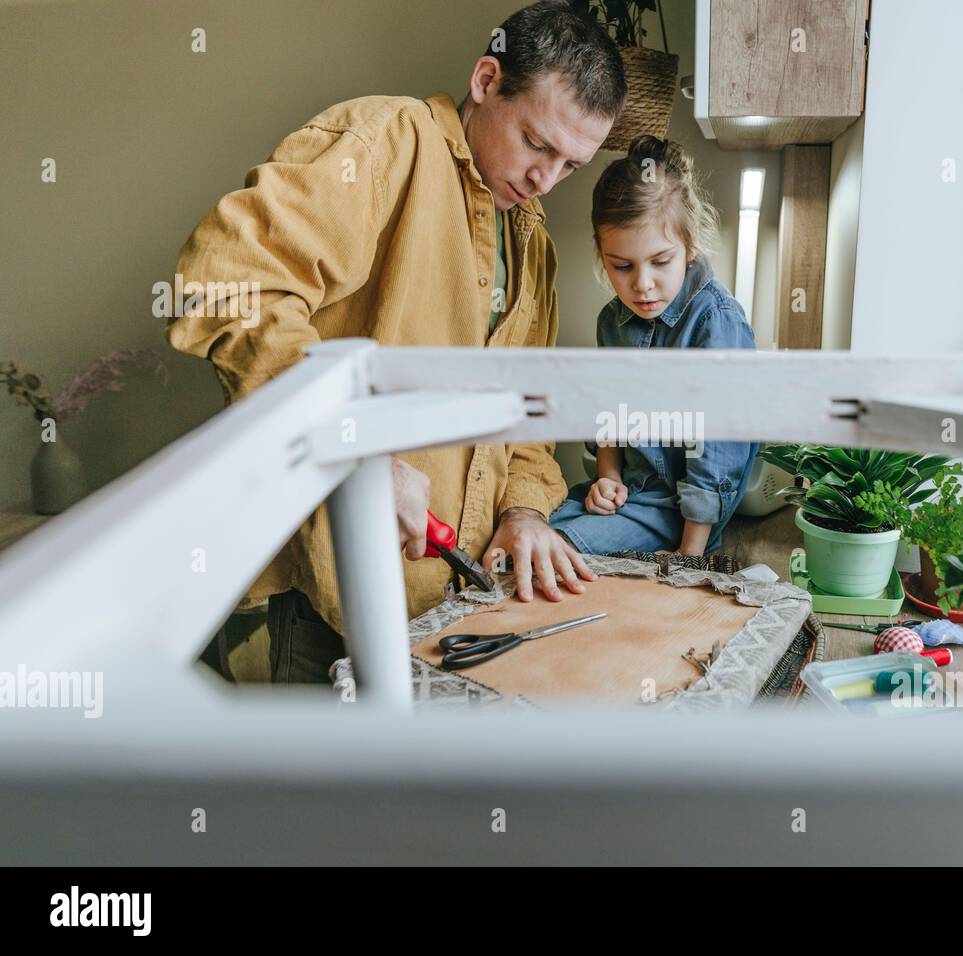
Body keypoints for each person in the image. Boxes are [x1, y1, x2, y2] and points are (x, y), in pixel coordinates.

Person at [168, 2, 626, 683]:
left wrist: (526, 511)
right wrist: (355, 446)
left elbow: (527, 411)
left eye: (570, 164)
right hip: (318, 601)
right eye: (536, 143)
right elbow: (224, 284)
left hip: (445, 610)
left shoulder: (532, 241)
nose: (544, 180)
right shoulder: (380, 142)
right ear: (486, 79)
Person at [549, 136, 759, 557]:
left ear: (690, 243)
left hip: (683, 514)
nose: (642, 284)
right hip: (634, 494)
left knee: (556, 550)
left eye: (661, 262)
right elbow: (610, 416)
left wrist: (688, 558)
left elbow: (715, 453)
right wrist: (608, 478)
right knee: (532, 527)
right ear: (600, 251)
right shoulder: (612, 321)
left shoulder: (715, 321)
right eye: (621, 266)